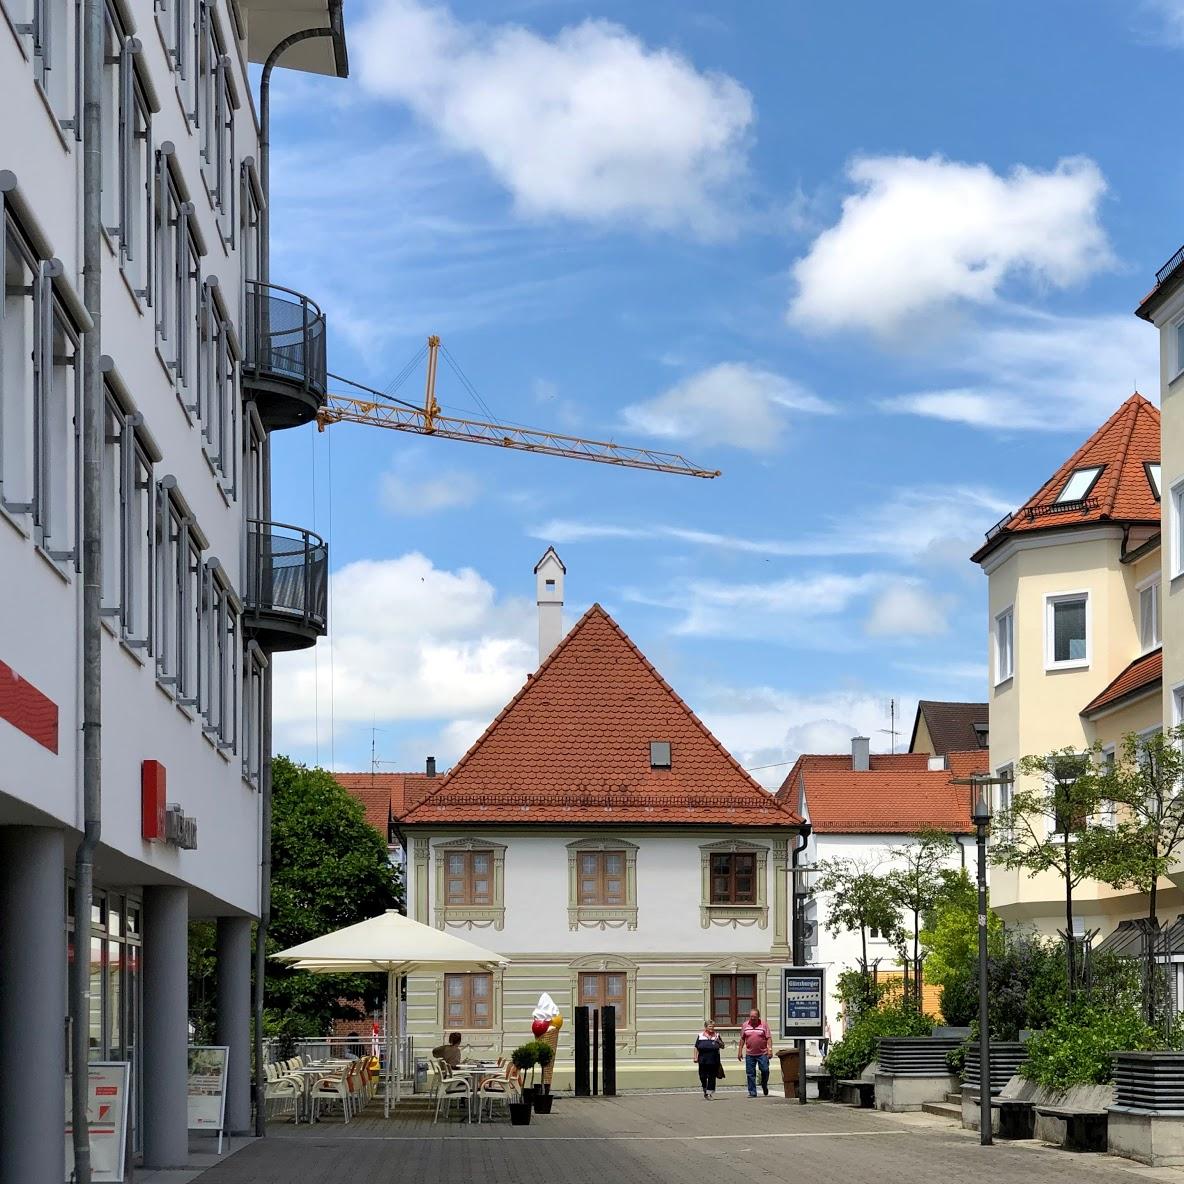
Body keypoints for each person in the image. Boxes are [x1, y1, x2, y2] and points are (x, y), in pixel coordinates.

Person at [738, 1007, 772, 1097]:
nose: (752, 1018)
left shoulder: (764, 1025)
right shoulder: (745, 1025)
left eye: (754, 1016)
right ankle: (752, 1092)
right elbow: (742, 1038)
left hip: (763, 1053)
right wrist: (740, 1051)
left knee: (765, 1070)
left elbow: (768, 1038)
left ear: (758, 1017)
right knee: (750, 1073)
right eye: (751, 1016)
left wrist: (770, 1050)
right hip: (750, 1054)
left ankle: (764, 1084)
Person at [693, 1021, 725, 1100]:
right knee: (702, 1076)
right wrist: (695, 1057)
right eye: (710, 1026)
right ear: (706, 1027)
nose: (712, 1028)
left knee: (712, 1077)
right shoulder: (700, 1036)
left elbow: (722, 1046)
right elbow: (696, 1047)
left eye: (713, 1026)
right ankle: (704, 1088)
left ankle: (709, 1093)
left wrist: (719, 1041)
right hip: (703, 1059)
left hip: (714, 1060)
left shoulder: (717, 1035)